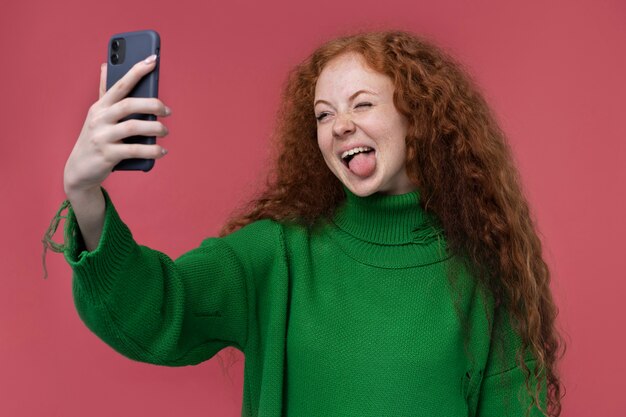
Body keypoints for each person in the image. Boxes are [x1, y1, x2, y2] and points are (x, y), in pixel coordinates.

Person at [44, 30, 564, 416]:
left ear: (417, 117)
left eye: (362, 103)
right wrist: (84, 194)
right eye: (322, 114)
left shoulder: (481, 272)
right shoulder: (277, 255)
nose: (340, 125)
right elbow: (156, 310)